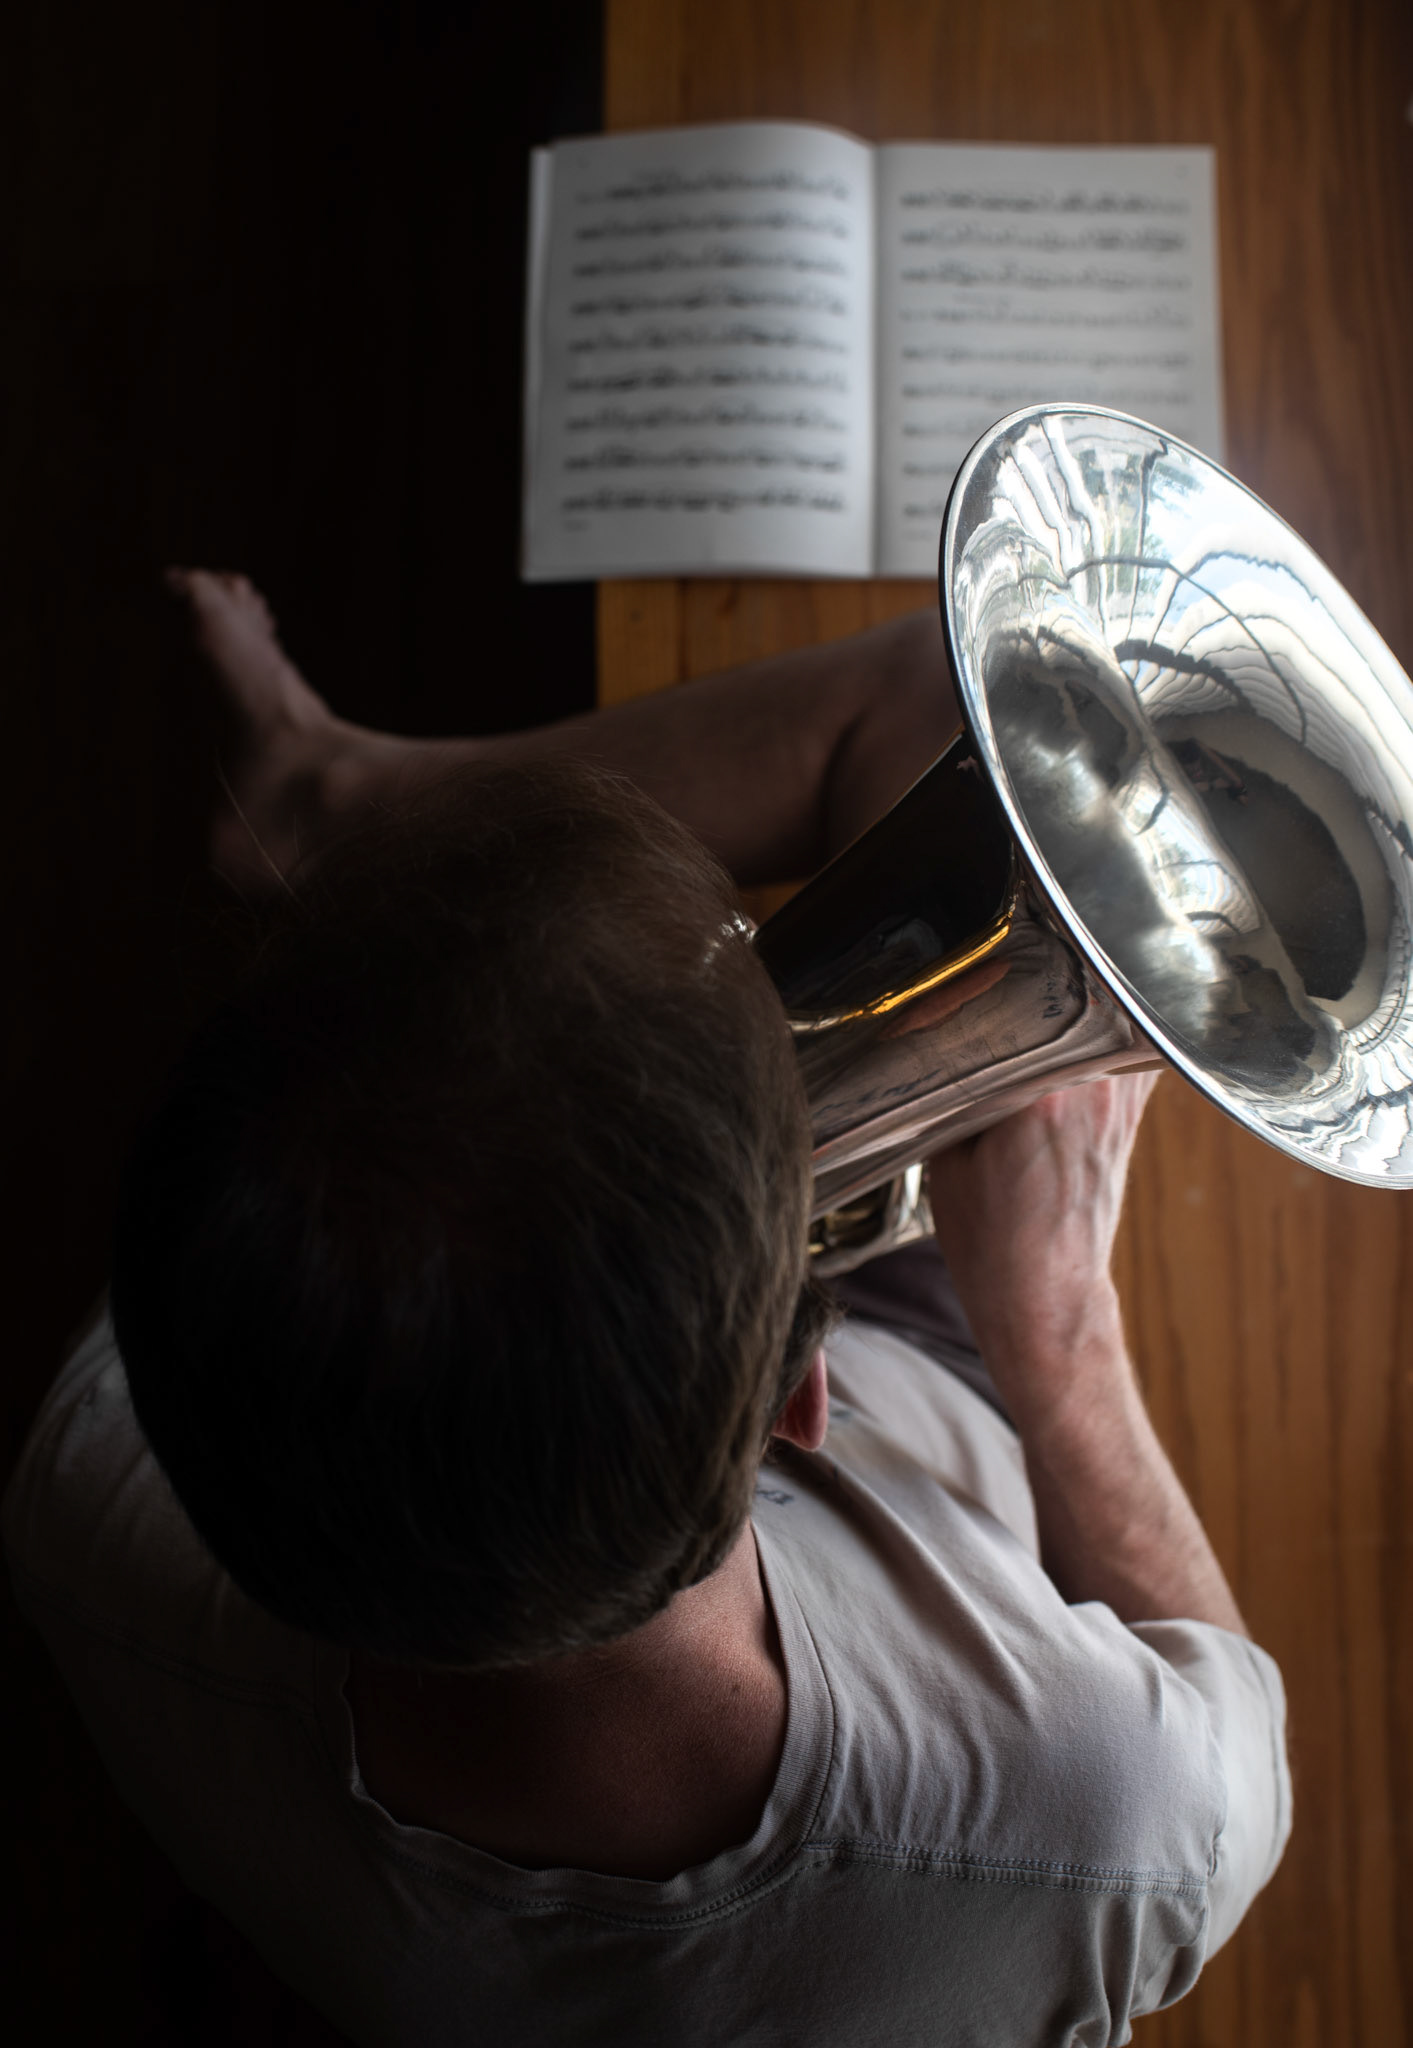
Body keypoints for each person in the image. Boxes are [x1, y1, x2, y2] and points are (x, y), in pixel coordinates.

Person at [5, 573, 1290, 2047]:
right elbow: (1237, 1729)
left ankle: (328, 804)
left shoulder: (88, 1479)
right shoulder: (1092, 1821)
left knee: (999, 764)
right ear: (802, 1401)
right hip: (969, 1380)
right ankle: (350, 811)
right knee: (1009, 749)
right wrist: (1059, 1332)